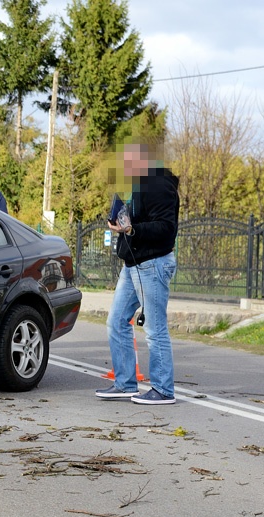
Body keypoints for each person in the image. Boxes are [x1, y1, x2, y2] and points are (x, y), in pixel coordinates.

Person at [95, 143, 180, 405]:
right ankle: (125, 384)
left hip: (152, 264)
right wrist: (121, 224)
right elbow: (137, 222)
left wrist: (131, 230)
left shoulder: (159, 184)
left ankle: (164, 390)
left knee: (154, 329)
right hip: (133, 262)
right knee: (117, 321)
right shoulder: (139, 185)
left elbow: (167, 228)